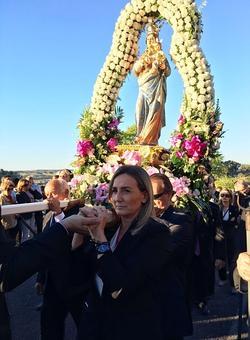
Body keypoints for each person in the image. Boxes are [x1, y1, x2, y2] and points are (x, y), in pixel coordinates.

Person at [36, 178, 89, 340]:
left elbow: (73, 244)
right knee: (50, 327)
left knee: (85, 327)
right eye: (46, 195)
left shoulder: (81, 212)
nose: (48, 199)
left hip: (76, 283)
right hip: (53, 284)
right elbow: (44, 249)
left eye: (53, 194)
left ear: (66, 193)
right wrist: (41, 278)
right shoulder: (47, 217)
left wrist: (59, 214)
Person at [150, 173, 194, 339]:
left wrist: (149, 219)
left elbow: (160, 255)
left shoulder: (181, 220)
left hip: (167, 301)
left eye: (155, 196)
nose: (150, 201)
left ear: (168, 195)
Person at [133, 20, 171, 145]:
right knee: (140, 110)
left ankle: (150, 140)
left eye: (153, 38)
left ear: (156, 40)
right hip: (144, 86)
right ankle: (139, 136)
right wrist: (143, 63)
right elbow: (135, 70)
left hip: (156, 90)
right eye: (148, 39)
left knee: (154, 112)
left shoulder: (161, 55)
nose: (150, 41)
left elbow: (168, 72)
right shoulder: (144, 56)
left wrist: (162, 66)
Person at [217, 189, 240, 290]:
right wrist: (230, 222)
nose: (225, 198)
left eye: (227, 196)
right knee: (220, 259)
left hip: (231, 237)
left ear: (231, 197)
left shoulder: (234, 209)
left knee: (231, 259)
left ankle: (232, 283)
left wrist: (230, 222)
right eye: (222, 195)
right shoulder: (217, 209)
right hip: (219, 237)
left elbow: (235, 222)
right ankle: (223, 278)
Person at [0, 179, 20, 243]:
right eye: (8, 189)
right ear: (3, 189)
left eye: (12, 189)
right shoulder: (1, 198)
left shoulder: (11, 197)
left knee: (13, 241)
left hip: (14, 224)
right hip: (6, 226)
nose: (10, 191)